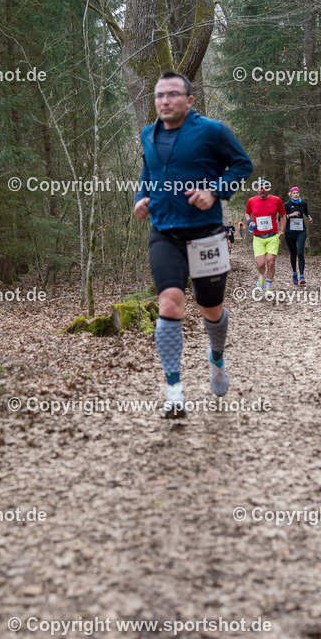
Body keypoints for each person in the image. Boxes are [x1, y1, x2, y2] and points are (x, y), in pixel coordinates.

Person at [133, 71, 253, 418]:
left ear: (189, 100)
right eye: (159, 95)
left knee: (210, 308)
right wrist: (142, 198)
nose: (165, 101)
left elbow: (242, 165)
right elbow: (148, 174)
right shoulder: (148, 134)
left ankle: (216, 356)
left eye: (172, 94)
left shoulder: (212, 131)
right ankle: (174, 391)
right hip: (165, 231)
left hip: (206, 234)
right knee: (170, 304)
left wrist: (214, 190)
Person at [245, 180, 286, 301]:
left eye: (264, 187)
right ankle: (262, 276)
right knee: (260, 264)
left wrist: (281, 231)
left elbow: (283, 215)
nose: (262, 189)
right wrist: (250, 221)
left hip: (272, 236)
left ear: (268, 189)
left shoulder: (276, 200)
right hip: (258, 237)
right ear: (257, 189)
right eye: (259, 187)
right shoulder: (251, 201)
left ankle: (268, 289)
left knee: (271, 261)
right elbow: (247, 213)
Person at [283, 186, 312, 285]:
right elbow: (280, 217)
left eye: (297, 193)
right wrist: (290, 215)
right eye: (294, 193)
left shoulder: (303, 204)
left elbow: (306, 212)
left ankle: (302, 276)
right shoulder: (286, 205)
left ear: (299, 194)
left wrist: (309, 217)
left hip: (301, 231)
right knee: (293, 254)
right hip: (290, 232)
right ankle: (294, 273)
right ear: (291, 194)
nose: (296, 194)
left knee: (300, 252)